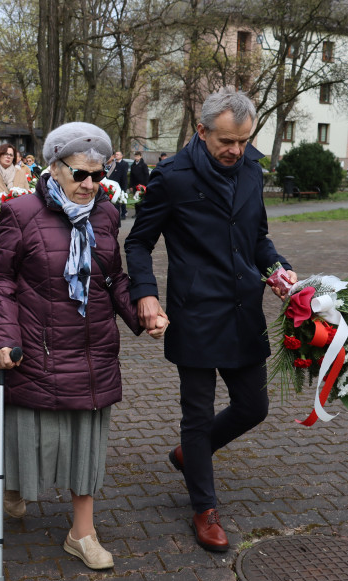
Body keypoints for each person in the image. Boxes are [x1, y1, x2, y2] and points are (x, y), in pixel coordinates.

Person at [0, 122, 163, 571]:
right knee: (30, 436)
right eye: (80, 174)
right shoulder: (21, 212)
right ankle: (14, 487)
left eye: (97, 176)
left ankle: (81, 533)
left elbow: (111, 275)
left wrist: (142, 309)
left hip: (92, 345)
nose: (89, 184)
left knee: (85, 441)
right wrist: (4, 338)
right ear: (54, 168)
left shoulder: (105, 214)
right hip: (37, 345)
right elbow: (0, 279)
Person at [124, 86, 296, 553]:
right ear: (201, 132)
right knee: (197, 415)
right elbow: (138, 243)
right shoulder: (173, 177)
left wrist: (277, 269)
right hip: (196, 312)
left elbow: (258, 237)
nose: (236, 151)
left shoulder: (251, 170)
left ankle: (188, 456)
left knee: (253, 407)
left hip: (244, 310)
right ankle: (204, 506)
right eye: (226, 142)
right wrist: (145, 295)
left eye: (243, 141)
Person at [107, 151, 129, 219]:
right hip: (107, 189)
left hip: (117, 189)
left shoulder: (122, 165)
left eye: (117, 154)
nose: (116, 156)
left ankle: (122, 214)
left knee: (118, 205)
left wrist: (123, 189)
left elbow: (124, 178)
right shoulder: (105, 165)